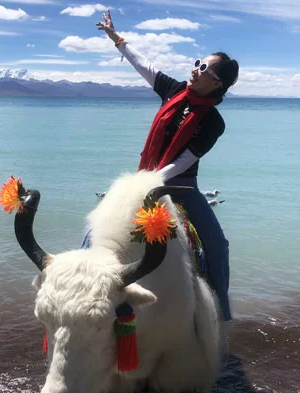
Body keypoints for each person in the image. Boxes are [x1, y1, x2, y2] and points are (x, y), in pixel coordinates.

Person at [83, 9, 239, 323]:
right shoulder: (173, 91)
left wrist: (147, 185)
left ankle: (219, 311)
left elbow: (184, 162)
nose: (195, 69)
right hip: (144, 180)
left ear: (218, 83)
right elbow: (145, 65)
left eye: (204, 67)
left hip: (180, 187)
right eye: (197, 62)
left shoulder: (213, 122)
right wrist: (116, 38)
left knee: (217, 245)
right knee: (92, 232)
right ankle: (85, 288)